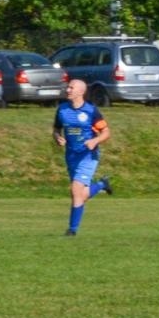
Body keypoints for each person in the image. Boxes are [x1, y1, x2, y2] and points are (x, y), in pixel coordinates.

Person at [53, 78, 113, 236]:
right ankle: (101, 185)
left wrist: (95, 140)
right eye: (67, 87)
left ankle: (72, 230)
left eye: (71, 88)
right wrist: (58, 137)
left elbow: (106, 132)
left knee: (75, 190)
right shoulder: (62, 110)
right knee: (80, 194)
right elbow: (56, 129)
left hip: (88, 156)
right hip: (71, 156)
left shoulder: (91, 111)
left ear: (81, 91)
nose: (67, 90)